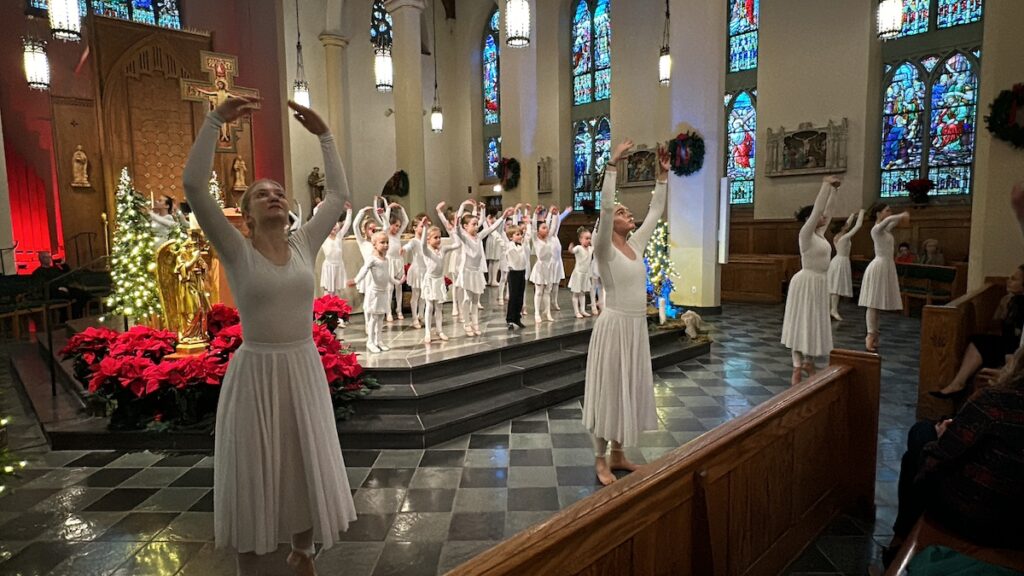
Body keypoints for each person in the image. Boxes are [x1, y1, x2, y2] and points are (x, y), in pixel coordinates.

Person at [183, 96, 355, 576]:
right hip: (257, 371)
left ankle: (302, 553)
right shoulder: (237, 250)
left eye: (279, 190)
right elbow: (194, 185)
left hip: (301, 368)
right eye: (263, 193)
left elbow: (339, 196)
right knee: (256, 470)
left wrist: (325, 135)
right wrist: (214, 121)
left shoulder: (304, 243)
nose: (275, 195)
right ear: (247, 214)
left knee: (301, 462)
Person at [886, 347, 1024, 563]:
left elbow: (937, 460)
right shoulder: (995, 403)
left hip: (978, 521)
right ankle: (899, 541)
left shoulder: (996, 402)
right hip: (1017, 529)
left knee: (920, 437)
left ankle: (898, 543)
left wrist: (941, 437)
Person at [584, 138, 670, 486]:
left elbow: (655, 212)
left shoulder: (635, 245)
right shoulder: (604, 250)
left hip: (635, 328)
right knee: (609, 390)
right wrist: (612, 166)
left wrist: (662, 178)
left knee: (627, 388)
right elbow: (605, 211)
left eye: (626, 211)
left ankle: (619, 454)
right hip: (614, 326)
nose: (627, 214)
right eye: (623, 212)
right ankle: (600, 459)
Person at [930, 265, 1024, 399]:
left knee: (981, 343)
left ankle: (959, 385)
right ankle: (958, 383)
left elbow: (1018, 336)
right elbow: (1002, 328)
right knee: (977, 340)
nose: (1008, 281)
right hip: (1010, 345)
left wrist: (1012, 358)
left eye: (1014, 279)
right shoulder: (1012, 301)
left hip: (1018, 351)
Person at [781, 177, 841, 385]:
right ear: (809, 219)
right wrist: (825, 185)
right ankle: (797, 365)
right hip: (805, 282)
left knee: (813, 321)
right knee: (800, 321)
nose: (823, 216)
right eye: (818, 215)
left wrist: (834, 191)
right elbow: (818, 210)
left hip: (819, 282)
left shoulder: (821, 235)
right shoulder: (805, 234)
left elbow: (829, 211)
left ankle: (809, 361)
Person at [452, 200, 509, 336]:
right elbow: (456, 228)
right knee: (467, 299)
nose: (476, 226)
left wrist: (503, 217)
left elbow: (490, 228)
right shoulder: (464, 237)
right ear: (465, 226)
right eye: (473, 224)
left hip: (476, 272)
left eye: (477, 224)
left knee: (476, 300)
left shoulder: (478, 237)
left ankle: (475, 323)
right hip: (467, 271)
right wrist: (461, 208)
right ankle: (466, 324)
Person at [859, 202, 909, 352]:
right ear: (878, 214)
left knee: (878, 305)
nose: (889, 212)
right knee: (873, 303)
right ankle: (869, 335)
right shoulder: (876, 230)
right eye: (887, 210)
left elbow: (890, 222)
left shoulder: (885, 230)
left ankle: (875, 333)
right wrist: (900, 215)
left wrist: (899, 218)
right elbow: (888, 221)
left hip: (887, 266)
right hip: (879, 266)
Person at [355, 232, 402, 353]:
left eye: (387, 242)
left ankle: (379, 340)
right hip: (374, 293)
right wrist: (355, 280)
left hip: (383, 293)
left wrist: (397, 282)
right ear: (374, 244)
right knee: (373, 318)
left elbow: (387, 276)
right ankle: (370, 341)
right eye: (382, 242)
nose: (386, 245)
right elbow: (363, 270)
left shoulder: (386, 259)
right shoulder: (372, 259)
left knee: (381, 317)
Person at [420, 224, 460, 344]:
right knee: (429, 306)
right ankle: (427, 331)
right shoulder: (426, 250)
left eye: (439, 237)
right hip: (430, 280)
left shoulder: (443, 249)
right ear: (428, 239)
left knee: (439, 307)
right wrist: (425, 229)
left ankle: (439, 330)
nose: (438, 240)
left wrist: (455, 229)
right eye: (435, 238)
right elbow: (422, 244)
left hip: (439, 280)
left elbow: (457, 244)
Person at [827, 209, 865, 321]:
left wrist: (852, 215)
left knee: (835, 286)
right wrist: (862, 213)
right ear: (842, 227)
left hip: (839, 261)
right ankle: (833, 310)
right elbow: (858, 226)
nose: (847, 225)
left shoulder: (840, 235)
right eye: (846, 225)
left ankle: (832, 309)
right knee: (835, 287)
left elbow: (847, 224)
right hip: (840, 262)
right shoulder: (844, 237)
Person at [379, 199, 409, 322]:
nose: (397, 228)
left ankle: (399, 310)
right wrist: (389, 209)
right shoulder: (386, 233)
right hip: (390, 261)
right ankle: (388, 312)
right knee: (390, 287)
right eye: (395, 225)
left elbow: (406, 221)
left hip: (398, 261)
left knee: (399, 287)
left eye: (398, 226)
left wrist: (402, 209)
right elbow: (386, 223)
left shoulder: (397, 235)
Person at [528, 205, 556, 324]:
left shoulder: (549, 238)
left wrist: (554, 215)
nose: (547, 229)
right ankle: (536, 313)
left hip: (549, 267)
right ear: (539, 230)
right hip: (540, 267)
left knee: (547, 291)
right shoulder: (535, 239)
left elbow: (553, 226)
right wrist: (535, 213)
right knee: (539, 291)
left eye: (547, 228)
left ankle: (547, 311)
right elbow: (533, 227)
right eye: (544, 227)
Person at [319, 204, 353, 297]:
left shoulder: (339, 236)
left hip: (339, 265)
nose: (333, 227)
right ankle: (327, 307)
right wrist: (317, 208)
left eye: (335, 224)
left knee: (337, 289)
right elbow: (317, 222)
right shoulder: (324, 238)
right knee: (329, 289)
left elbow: (347, 225)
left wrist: (349, 211)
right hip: (329, 266)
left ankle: (336, 308)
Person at [403, 214, 430, 329]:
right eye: (421, 226)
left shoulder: (427, 241)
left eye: (424, 227)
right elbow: (408, 246)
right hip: (417, 270)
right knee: (416, 295)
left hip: (425, 270)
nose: (423, 229)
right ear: (414, 228)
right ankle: (414, 318)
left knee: (424, 295)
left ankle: (421, 315)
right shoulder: (414, 241)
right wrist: (403, 249)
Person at [502, 218, 529, 330]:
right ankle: (510, 319)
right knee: (513, 297)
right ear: (511, 237)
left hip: (521, 272)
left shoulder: (522, 245)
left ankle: (517, 318)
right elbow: (515, 252)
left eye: (520, 234)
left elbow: (528, 237)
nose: (520, 236)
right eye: (517, 234)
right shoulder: (510, 246)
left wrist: (528, 226)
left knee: (520, 297)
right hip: (513, 274)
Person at [547, 204, 572, 311]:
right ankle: (547, 302)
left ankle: (554, 301)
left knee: (556, 283)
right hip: (550, 263)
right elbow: (551, 225)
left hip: (557, 262)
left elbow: (557, 223)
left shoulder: (555, 237)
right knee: (549, 284)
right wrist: (550, 213)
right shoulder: (547, 237)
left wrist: (558, 213)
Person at [567, 227, 595, 319]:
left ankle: (583, 310)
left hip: (585, 274)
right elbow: (572, 251)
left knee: (583, 293)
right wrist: (570, 248)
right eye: (586, 238)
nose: (588, 240)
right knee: (576, 293)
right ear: (580, 239)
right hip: (578, 274)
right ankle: (576, 311)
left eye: (589, 238)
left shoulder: (591, 249)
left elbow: (597, 246)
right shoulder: (579, 248)